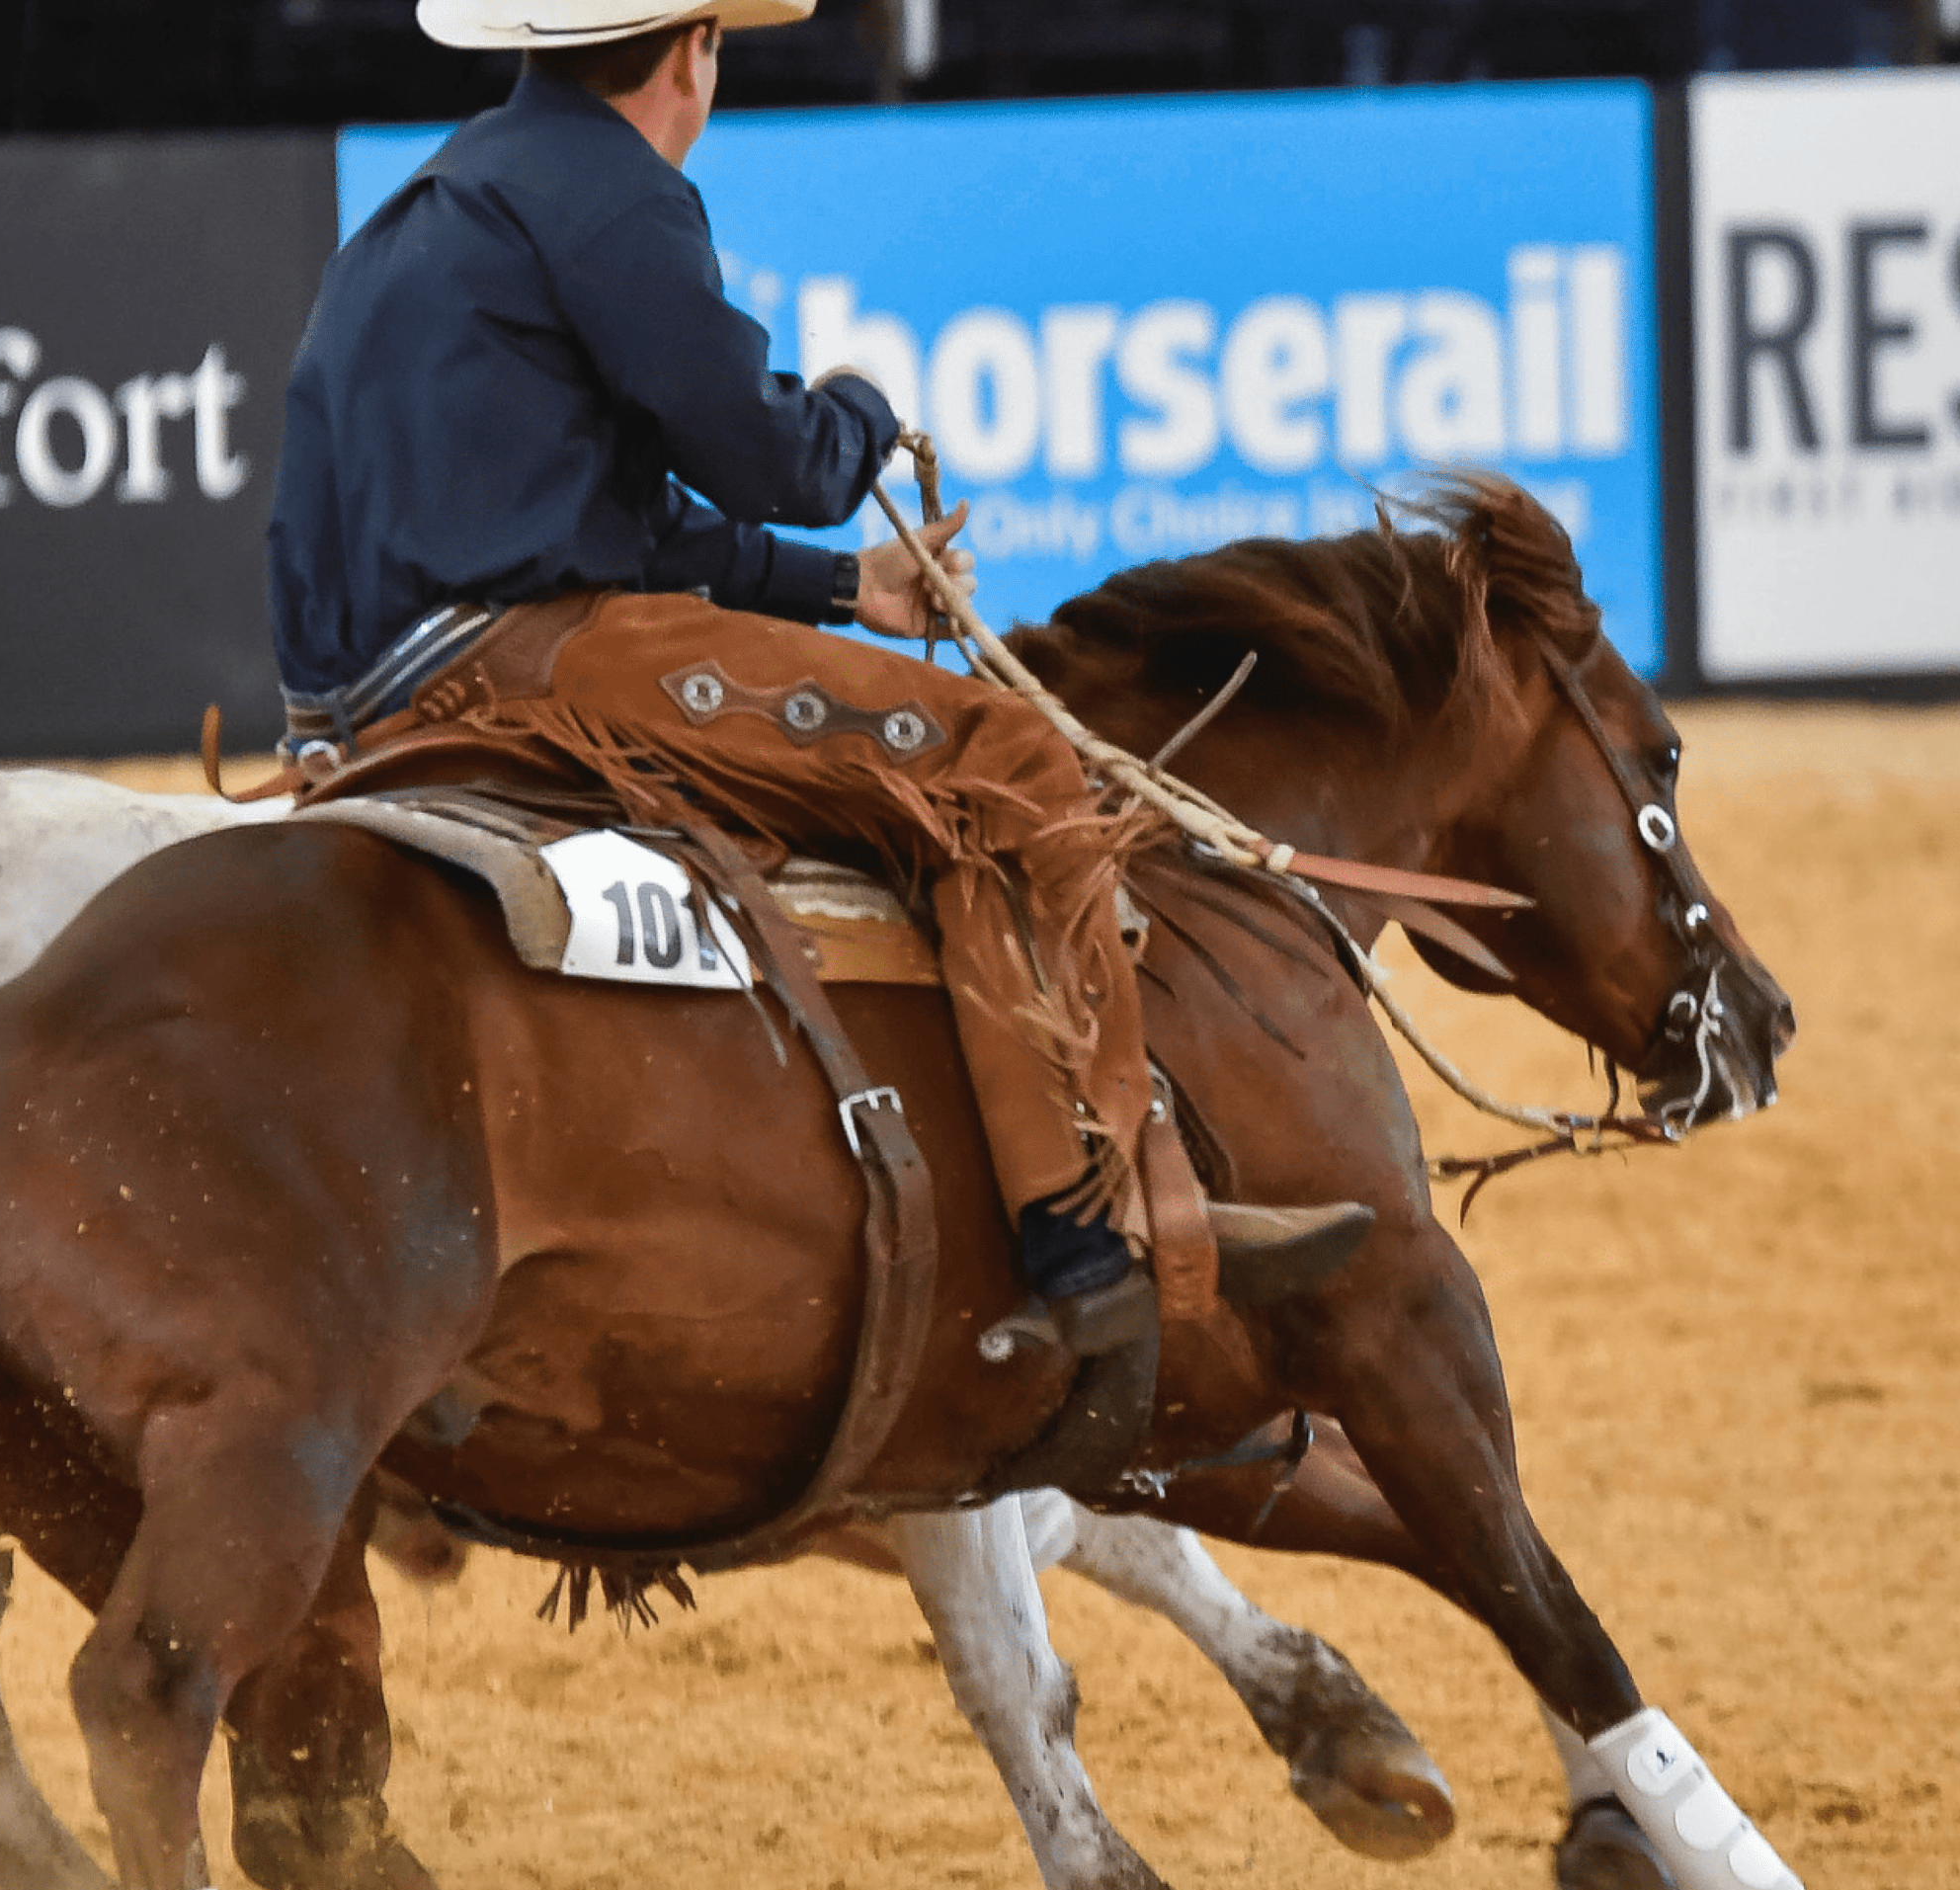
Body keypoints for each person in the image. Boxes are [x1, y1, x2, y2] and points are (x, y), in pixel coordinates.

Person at [266, 0, 1369, 1376]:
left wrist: (851, 591)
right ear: (690, 54)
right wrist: (852, 408)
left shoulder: (432, 204)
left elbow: (613, 521)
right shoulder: (615, 197)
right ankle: (1082, 1221)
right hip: (529, 666)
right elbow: (765, 454)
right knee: (1010, 762)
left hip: (375, 696)